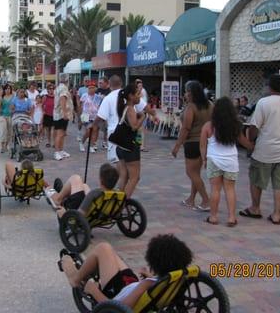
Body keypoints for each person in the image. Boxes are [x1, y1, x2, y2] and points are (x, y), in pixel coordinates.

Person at [60, 234, 193, 307]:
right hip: (130, 285)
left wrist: (94, 291)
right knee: (110, 252)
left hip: (117, 292)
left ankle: (75, 278)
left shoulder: (147, 284)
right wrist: (151, 276)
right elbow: (158, 281)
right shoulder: (173, 279)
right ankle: (91, 268)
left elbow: (121, 308)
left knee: (103, 248)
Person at [239, 74, 280, 225]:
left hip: (264, 150)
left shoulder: (263, 103)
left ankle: (255, 208)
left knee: (256, 179)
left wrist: (251, 140)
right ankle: (277, 214)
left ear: (269, 87)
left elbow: (254, 126)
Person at [200, 97, 254, 227]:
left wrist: (204, 159)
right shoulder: (235, 126)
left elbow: (202, 145)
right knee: (230, 189)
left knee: (215, 189)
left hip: (214, 160)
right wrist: (253, 146)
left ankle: (213, 217)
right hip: (231, 160)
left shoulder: (208, 126)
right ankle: (231, 217)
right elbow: (244, 142)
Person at [172, 81, 213, 211]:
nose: (185, 94)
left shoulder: (191, 107)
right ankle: (191, 199)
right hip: (205, 142)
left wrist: (177, 145)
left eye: (186, 91)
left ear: (190, 92)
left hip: (192, 142)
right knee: (196, 173)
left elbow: (186, 128)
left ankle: (206, 200)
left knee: (191, 172)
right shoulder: (210, 105)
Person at [49, 163, 119, 218]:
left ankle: (58, 199)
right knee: (84, 185)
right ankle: (64, 193)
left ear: (101, 180)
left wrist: (65, 211)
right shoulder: (117, 195)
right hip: (96, 212)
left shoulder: (94, 193)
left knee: (75, 178)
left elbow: (80, 213)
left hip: (77, 210)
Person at [114, 84, 147, 197]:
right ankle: (123, 203)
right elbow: (134, 126)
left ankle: (117, 202)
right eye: (138, 94)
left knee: (125, 176)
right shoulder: (130, 109)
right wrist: (142, 117)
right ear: (130, 96)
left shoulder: (125, 108)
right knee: (134, 178)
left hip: (121, 147)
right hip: (130, 148)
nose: (140, 97)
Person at [53, 73, 74, 161]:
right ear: (67, 80)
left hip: (60, 114)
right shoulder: (63, 88)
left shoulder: (59, 87)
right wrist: (65, 113)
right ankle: (57, 152)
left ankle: (61, 151)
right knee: (60, 133)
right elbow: (62, 100)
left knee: (62, 134)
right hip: (61, 115)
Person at [79, 80, 102, 153]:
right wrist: (80, 116)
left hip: (95, 116)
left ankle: (91, 145)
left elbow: (100, 105)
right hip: (86, 115)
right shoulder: (84, 95)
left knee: (94, 131)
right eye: (90, 88)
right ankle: (82, 142)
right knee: (88, 130)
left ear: (95, 88)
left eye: (93, 87)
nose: (91, 89)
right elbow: (81, 105)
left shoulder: (98, 97)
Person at [0, 84, 14, 153]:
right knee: (3, 131)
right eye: (6, 88)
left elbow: (15, 106)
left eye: (9, 88)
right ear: (4, 90)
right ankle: (2, 147)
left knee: (10, 132)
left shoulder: (13, 97)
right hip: (3, 116)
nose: (8, 90)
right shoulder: (1, 97)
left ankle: (6, 146)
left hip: (10, 116)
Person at [135, 79, 149, 152]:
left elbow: (145, 101)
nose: (141, 86)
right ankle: (138, 144)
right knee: (137, 130)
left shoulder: (144, 91)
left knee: (142, 130)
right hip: (136, 113)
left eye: (141, 85)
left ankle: (141, 146)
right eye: (139, 85)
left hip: (143, 113)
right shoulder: (135, 92)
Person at [42, 83, 55, 148]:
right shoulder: (45, 97)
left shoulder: (56, 97)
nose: (51, 90)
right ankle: (48, 142)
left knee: (53, 129)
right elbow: (42, 105)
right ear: (47, 90)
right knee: (48, 130)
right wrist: (43, 111)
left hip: (54, 115)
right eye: (50, 89)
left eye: (53, 89)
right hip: (47, 114)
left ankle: (53, 142)